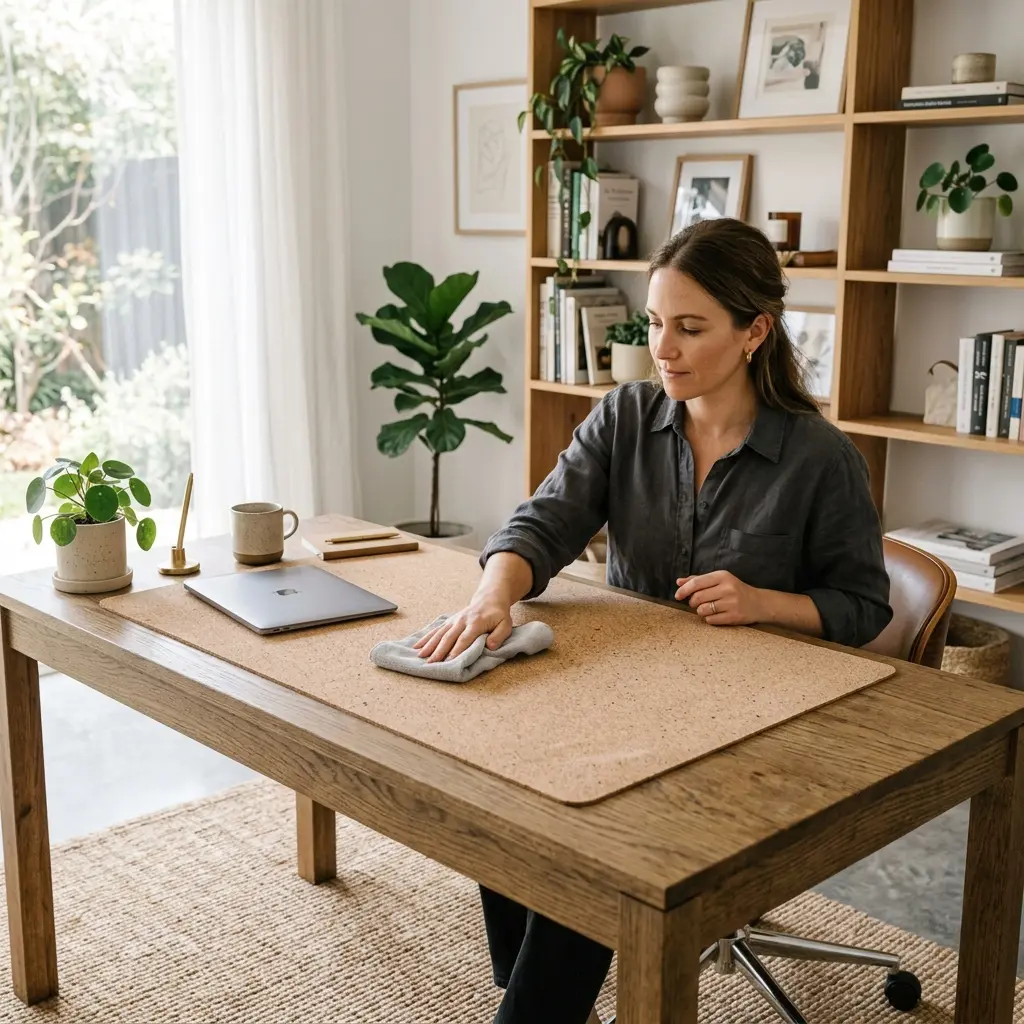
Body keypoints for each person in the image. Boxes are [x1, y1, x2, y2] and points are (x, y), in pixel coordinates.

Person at [414, 217, 893, 1024]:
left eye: (689, 327)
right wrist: (495, 593)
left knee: (597, 845)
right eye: (655, 323)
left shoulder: (820, 459)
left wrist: (765, 603)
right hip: (632, 696)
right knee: (496, 779)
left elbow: (865, 608)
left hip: (755, 726)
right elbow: (540, 525)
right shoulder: (625, 418)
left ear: (755, 332)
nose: (661, 347)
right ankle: (532, 997)